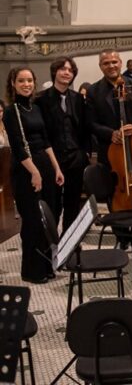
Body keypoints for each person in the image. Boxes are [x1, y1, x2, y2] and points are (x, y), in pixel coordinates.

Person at [4, 67, 64, 283]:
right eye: (21, 81)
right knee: (32, 220)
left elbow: (46, 141)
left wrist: (56, 168)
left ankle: (47, 266)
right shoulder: (12, 112)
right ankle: (32, 270)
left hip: (45, 165)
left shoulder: (35, 108)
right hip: (26, 169)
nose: (26, 84)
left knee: (49, 219)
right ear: (13, 83)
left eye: (29, 80)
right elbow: (19, 147)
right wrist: (35, 173)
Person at [36, 57, 90, 233]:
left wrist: (85, 154)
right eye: (62, 69)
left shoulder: (77, 99)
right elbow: (41, 132)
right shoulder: (41, 100)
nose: (67, 72)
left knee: (73, 203)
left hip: (76, 157)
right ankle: (51, 241)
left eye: (70, 70)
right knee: (54, 203)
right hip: (53, 159)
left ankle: (70, 241)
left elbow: (84, 128)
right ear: (55, 72)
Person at [86, 50, 132, 168]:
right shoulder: (93, 91)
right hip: (109, 149)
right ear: (100, 66)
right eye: (106, 63)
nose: (111, 66)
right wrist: (111, 134)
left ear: (120, 63)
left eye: (114, 62)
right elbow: (91, 123)